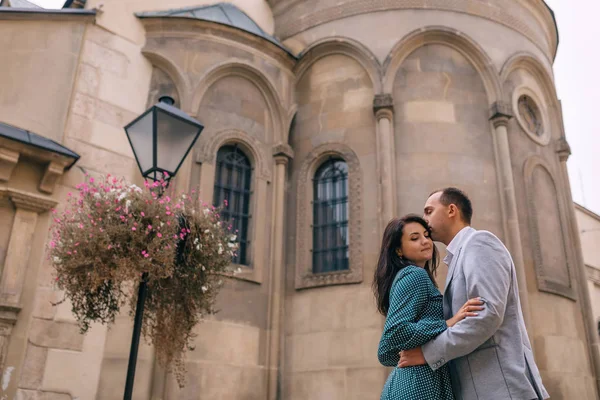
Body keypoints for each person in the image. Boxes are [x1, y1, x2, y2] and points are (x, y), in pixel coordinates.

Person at [399, 187, 549, 400]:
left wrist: (427, 353)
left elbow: (485, 316)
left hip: (502, 390)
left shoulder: (479, 243)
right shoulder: (459, 256)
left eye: (429, 211)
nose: (424, 219)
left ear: (452, 210)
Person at [374, 214, 484, 400]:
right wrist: (447, 323)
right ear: (399, 250)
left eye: (426, 235)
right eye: (415, 238)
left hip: (409, 383)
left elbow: (385, 352)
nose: (425, 241)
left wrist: (415, 355)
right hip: (419, 387)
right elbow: (395, 333)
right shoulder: (414, 276)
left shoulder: (409, 277)